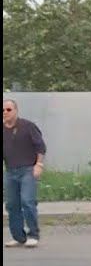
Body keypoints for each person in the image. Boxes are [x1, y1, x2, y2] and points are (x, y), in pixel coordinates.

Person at [3, 99, 46, 248]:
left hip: (28, 169)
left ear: (16, 111)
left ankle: (33, 235)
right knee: (12, 205)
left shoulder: (27, 126)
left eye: (8, 109)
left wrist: (39, 165)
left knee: (27, 201)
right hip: (10, 172)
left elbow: (40, 146)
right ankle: (18, 237)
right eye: (3, 110)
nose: (5, 113)